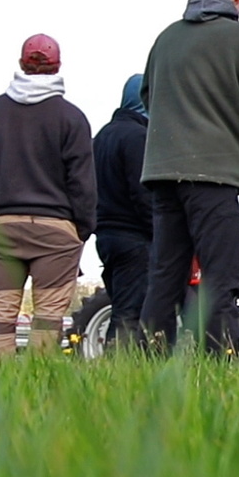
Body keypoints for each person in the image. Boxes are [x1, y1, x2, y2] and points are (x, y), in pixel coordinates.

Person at [139, 0, 239, 357]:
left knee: (165, 274)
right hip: (215, 174)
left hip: (163, 172)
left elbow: (147, 97)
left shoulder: (166, 38)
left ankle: (149, 358)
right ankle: (219, 357)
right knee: (219, 276)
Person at [0, 35, 97, 357]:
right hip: (57, 230)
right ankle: (41, 395)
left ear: (21, 64)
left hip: (5, 226)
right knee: (46, 323)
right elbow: (82, 182)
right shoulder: (72, 118)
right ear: (58, 67)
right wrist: (81, 230)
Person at [91, 74, 152, 349]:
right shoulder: (138, 137)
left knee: (122, 306)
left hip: (105, 236)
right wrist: (161, 231)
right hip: (134, 237)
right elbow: (143, 193)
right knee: (129, 314)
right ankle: (118, 372)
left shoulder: (102, 136)